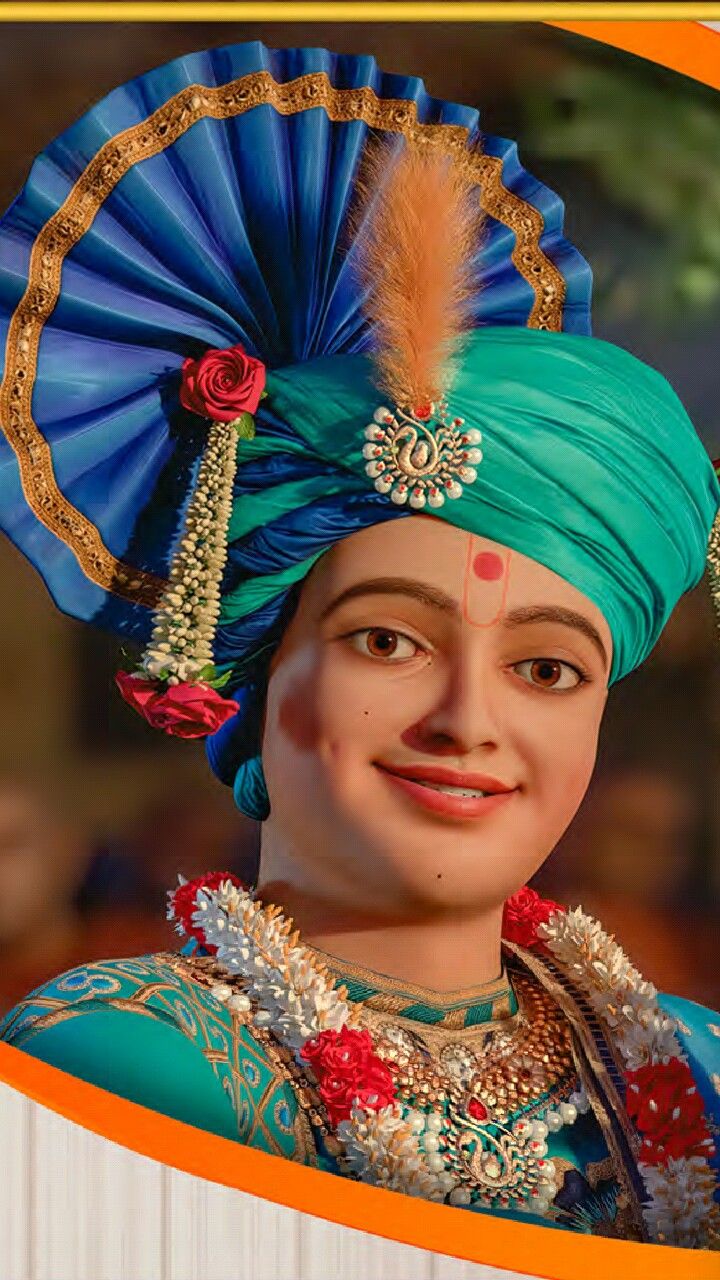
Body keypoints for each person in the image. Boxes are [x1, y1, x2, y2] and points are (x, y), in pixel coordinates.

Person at [0, 41, 718, 1248]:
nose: (469, 720)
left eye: (547, 668)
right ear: (250, 666)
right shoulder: (131, 1062)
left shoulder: (697, 1071)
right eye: (388, 639)